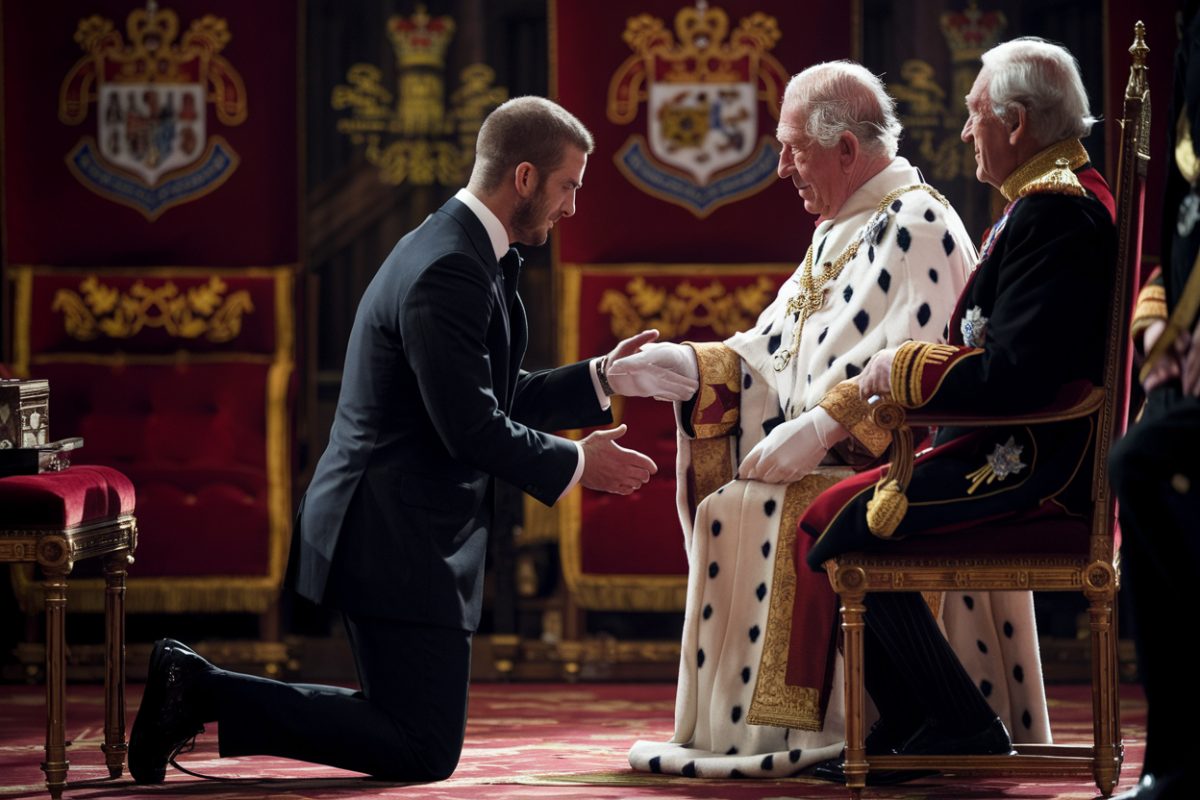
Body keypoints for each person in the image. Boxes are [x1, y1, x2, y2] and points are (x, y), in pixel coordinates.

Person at [127, 96, 696, 783]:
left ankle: (197, 687)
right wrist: (580, 462)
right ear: (523, 178)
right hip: (389, 534)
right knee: (420, 747)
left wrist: (606, 376)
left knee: (415, 739)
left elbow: (488, 394)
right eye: (568, 186)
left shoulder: (459, 244)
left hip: (402, 526)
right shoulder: (451, 266)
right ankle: (198, 689)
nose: (572, 207)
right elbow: (470, 427)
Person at [625, 61, 1046, 779]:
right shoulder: (835, 231)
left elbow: (927, 368)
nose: (782, 166)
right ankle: (767, 731)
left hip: (903, 468)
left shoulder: (919, 220)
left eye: (793, 147)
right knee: (740, 501)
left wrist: (824, 425)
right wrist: (692, 368)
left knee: (778, 507)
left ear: (847, 150)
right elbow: (766, 351)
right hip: (838, 458)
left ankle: (867, 719)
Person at [794, 37, 1116, 772]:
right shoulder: (1046, 198)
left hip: (1034, 465)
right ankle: (922, 722)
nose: (967, 132)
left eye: (975, 115)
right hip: (1015, 445)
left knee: (838, 523)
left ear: (1018, 122)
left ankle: (956, 721)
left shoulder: (1055, 212)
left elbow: (1017, 376)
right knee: (830, 515)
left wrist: (900, 371)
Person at [1109, 7, 1200, 798]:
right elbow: (1178, 239)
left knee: (1141, 463)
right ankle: (1172, 755)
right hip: (1183, 364)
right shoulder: (1185, 63)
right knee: (1138, 466)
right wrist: (1156, 335)